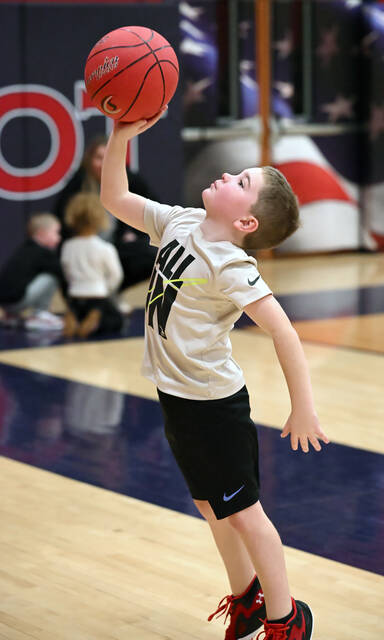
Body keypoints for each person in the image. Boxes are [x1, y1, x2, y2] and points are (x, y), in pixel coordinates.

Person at [100, 112, 330, 640]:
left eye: (241, 182)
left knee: (245, 514)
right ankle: (247, 600)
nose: (228, 176)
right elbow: (115, 199)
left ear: (246, 223)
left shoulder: (231, 264)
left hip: (213, 407)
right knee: (210, 506)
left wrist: (303, 407)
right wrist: (120, 137)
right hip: (176, 396)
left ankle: (286, 618)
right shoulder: (179, 221)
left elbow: (286, 333)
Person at [54, 135, 158, 292]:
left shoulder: (131, 180)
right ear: (89, 160)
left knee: (152, 256)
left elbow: (153, 211)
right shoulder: (78, 184)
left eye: (108, 157)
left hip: (116, 246)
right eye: (98, 158)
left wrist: (136, 234)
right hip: (84, 246)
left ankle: (111, 293)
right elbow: (62, 220)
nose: (103, 164)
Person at [61, 193, 124, 338]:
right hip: (97, 295)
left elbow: (66, 272)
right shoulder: (104, 247)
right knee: (116, 321)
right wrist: (106, 289)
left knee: (78, 308)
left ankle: (74, 314)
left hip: (75, 295)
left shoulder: (68, 246)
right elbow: (116, 275)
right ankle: (95, 316)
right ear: (100, 219)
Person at [0, 213, 65, 330]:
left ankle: (11, 317)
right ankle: (40, 314)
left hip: (5, 304)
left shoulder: (24, 248)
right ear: (41, 233)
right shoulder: (43, 253)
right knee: (51, 277)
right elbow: (62, 273)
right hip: (17, 302)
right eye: (56, 232)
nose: (59, 237)